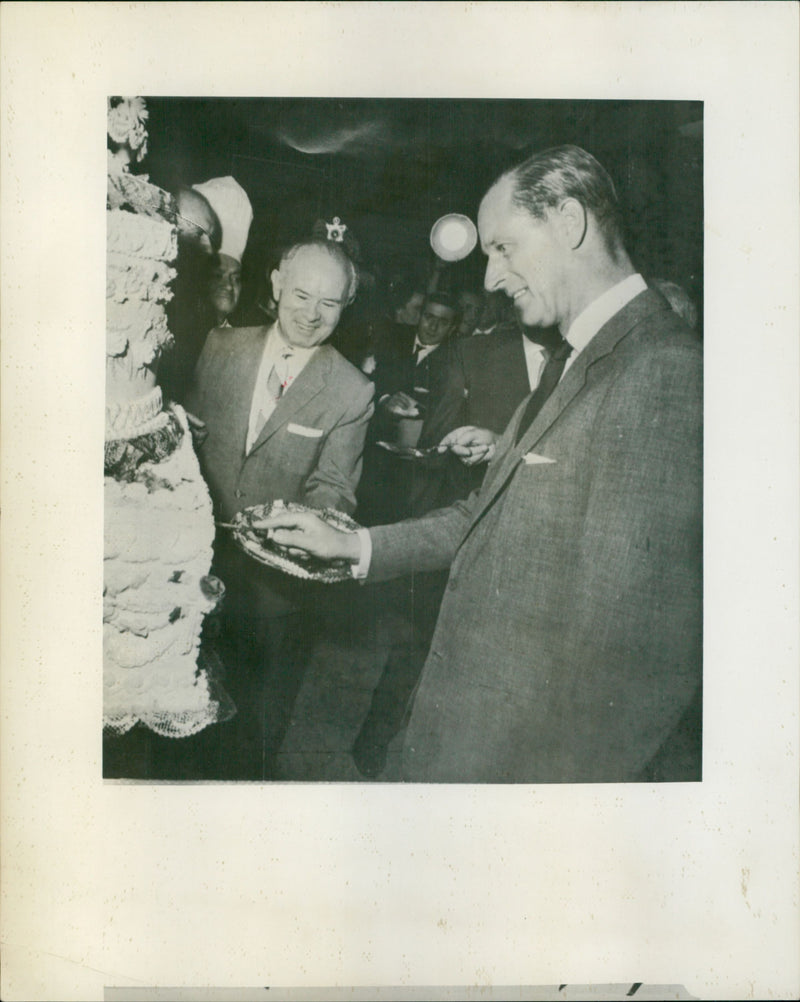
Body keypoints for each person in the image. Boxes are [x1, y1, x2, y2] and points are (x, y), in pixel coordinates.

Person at [260, 145, 703, 785]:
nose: (490, 278)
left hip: (508, 769)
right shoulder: (576, 359)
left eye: (502, 248)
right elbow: (485, 512)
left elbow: (630, 669)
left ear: (570, 221)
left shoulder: (662, 369)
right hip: (451, 732)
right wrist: (353, 545)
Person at [184, 234, 374, 775]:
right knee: (180, 712)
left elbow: (334, 488)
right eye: (301, 296)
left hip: (273, 592)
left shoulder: (352, 390)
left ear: (345, 306)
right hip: (189, 566)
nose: (312, 315)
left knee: (254, 733)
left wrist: (302, 528)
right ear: (275, 284)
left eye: (329, 303)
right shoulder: (220, 346)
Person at [192, 176, 254, 328]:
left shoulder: (241, 339)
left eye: (236, 278)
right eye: (218, 275)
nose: (228, 286)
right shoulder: (180, 329)